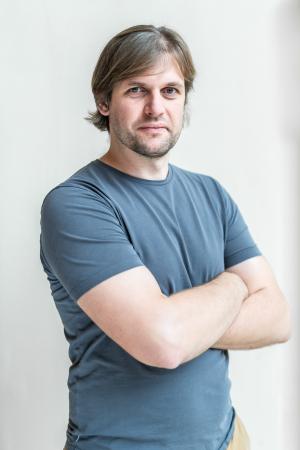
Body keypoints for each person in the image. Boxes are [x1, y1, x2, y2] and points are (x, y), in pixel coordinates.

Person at [39, 24, 291, 450]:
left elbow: (279, 318)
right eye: (137, 90)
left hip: (227, 439)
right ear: (104, 101)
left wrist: (178, 321)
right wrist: (233, 284)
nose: (156, 107)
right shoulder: (77, 204)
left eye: (171, 91)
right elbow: (163, 343)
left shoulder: (211, 194)